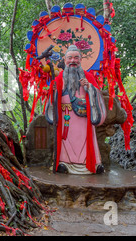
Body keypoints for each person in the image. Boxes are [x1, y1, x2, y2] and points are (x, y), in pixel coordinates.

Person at [45, 45, 107, 174]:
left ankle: (91, 164)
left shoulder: (88, 77)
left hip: (84, 118)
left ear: (81, 59)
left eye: (76, 58)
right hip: (65, 117)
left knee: (85, 139)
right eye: (70, 58)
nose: (73, 61)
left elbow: (97, 95)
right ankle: (64, 163)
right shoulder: (59, 77)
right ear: (64, 59)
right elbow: (51, 98)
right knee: (65, 140)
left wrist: (89, 88)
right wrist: (54, 91)